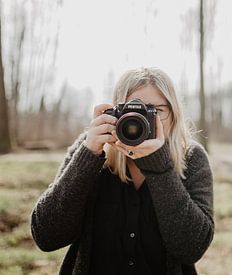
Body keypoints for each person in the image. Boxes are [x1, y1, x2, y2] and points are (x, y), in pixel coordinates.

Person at [31, 67, 214, 275]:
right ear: (114, 112)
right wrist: (88, 157)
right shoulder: (91, 149)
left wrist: (160, 167)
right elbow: (47, 236)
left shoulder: (192, 157)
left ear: (173, 115)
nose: (143, 120)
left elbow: (192, 247)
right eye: (133, 111)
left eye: (155, 111)